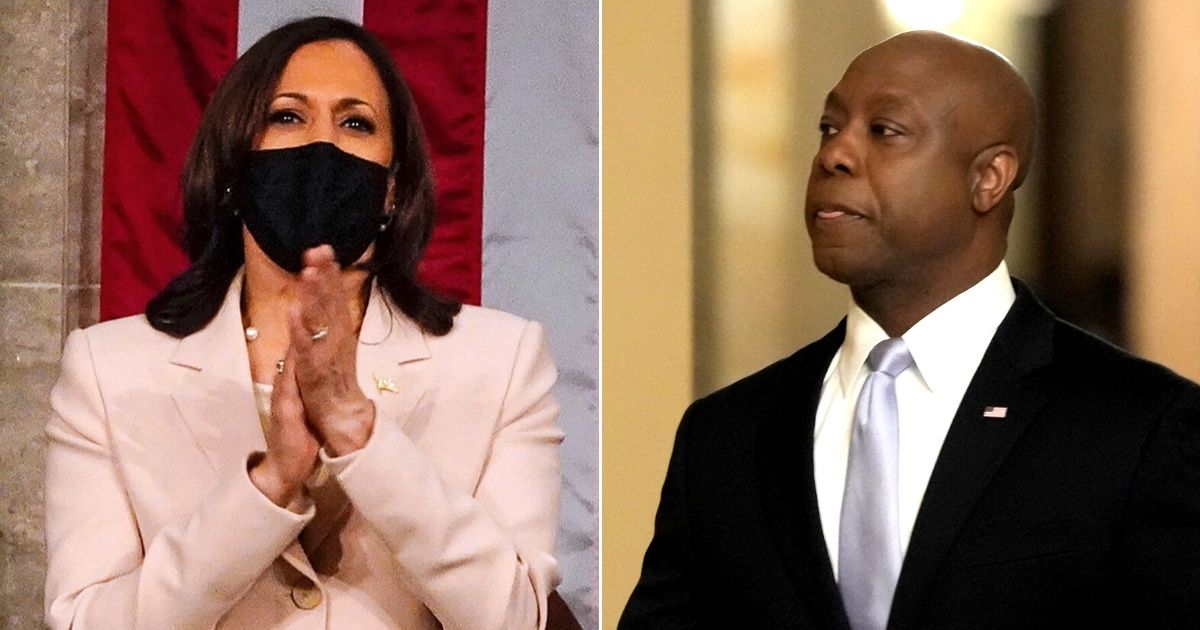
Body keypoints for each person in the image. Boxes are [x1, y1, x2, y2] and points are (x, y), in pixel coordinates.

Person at [620, 31, 1200, 629]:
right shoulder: (724, 437)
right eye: (828, 127)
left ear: (989, 178)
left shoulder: (1139, 428)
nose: (833, 155)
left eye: (883, 131)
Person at [45, 17, 564, 629]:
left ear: (393, 188)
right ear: (236, 162)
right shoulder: (108, 371)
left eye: (356, 123)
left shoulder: (502, 362)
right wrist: (268, 486)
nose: (324, 147)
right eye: (287, 117)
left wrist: (359, 435)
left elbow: (515, 619)